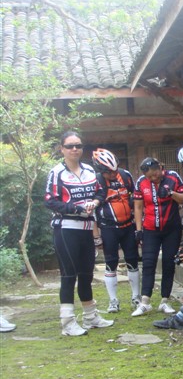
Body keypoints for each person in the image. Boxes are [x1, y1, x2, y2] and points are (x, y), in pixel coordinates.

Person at [45, 131, 113, 336]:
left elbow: (101, 191)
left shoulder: (90, 170)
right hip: (66, 228)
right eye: (70, 146)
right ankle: (67, 322)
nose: (74, 149)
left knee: (86, 274)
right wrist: (75, 208)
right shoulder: (57, 172)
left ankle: (90, 317)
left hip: (86, 229)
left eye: (78, 145)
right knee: (69, 275)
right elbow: (50, 201)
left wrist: (96, 202)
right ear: (62, 149)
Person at [131, 157, 183, 317]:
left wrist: (171, 193)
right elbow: (138, 206)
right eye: (149, 177)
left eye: (155, 174)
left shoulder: (173, 177)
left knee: (169, 263)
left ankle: (165, 300)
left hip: (172, 229)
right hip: (150, 229)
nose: (153, 178)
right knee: (148, 263)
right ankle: (145, 302)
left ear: (160, 168)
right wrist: (138, 229)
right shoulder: (141, 182)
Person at [90, 148, 141, 313]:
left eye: (115, 170)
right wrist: (96, 236)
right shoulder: (95, 181)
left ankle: (136, 297)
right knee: (110, 262)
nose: (113, 174)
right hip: (108, 228)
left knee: (133, 260)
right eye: (109, 172)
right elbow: (91, 211)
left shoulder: (125, 175)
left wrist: (138, 227)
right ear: (100, 170)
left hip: (128, 226)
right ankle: (113, 301)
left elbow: (136, 199)